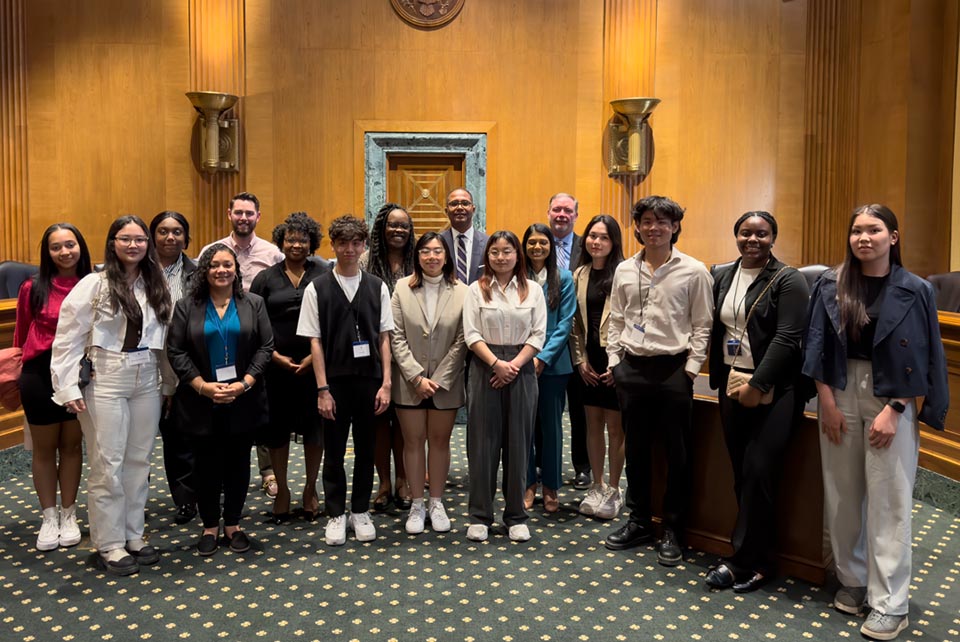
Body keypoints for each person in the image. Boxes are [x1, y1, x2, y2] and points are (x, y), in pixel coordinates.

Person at [802, 204, 948, 641]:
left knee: (889, 501)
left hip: (891, 398)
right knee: (843, 495)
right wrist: (825, 401)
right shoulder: (830, 283)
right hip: (839, 391)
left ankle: (891, 603)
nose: (864, 238)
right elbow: (815, 344)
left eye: (875, 230)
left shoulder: (915, 289)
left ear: (893, 237)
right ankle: (853, 580)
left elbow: (923, 353)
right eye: (857, 231)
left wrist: (897, 408)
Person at [51, 215, 173, 576]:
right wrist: (67, 387)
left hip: (146, 375)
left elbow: (163, 341)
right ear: (112, 243)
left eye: (139, 239)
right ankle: (109, 543)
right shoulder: (94, 284)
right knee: (108, 463)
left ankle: (134, 534)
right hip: (106, 377)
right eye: (125, 239)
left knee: (139, 462)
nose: (133, 245)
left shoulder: (155, 283)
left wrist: (168, 383)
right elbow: (68, 339)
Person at [603, 196, 713, 567]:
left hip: (673, 371)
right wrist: (615, 361)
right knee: (635, 450)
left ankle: (673, 529)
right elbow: (616, 318)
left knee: (676, 453)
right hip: (631, 369)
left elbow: (703, 325)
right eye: (647, 221)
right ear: (637, 226)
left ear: (675, 227)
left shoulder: (694, 271)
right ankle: (638, 521)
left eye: (662, 222)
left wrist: (690, 369)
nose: (654, 228)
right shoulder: (624, 270)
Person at [704, 212, 809, 593]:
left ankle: (749, 561)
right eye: (746, 233)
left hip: (775, 389)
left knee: (760, 473)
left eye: (761, 234)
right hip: (732, 383)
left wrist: (758, 383)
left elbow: (787, 337)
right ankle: (754, 554)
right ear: (735, 236)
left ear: (773, 238)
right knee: (741, 474)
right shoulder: (722, 275)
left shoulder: (789, 279)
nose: (753, 239)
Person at [167, 244, 274, 557]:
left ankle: (233, 524)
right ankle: (210, 525)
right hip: (202, 400)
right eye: (215, 265)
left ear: (236, 270)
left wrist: (245, 384)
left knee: (239, 462)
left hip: (243, 398)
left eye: (228, 265)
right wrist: (203, 387)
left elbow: (265, 347)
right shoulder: (188, 306)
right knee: (205, 464)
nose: (222, 270)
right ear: (205, 270)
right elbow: (176, 351)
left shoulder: (253, 303)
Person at [297, 215, 394, 546]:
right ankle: (336, 513)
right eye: (343, 243)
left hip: (370, 380)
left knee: (367, 448)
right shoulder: (317, 288)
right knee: (334, 449)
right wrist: (322, 389)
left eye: (356, 243)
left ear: (364, 246)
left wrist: (387, 384)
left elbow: (384, 338)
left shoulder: (378, 286)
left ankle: (360, 510)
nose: (349, 249)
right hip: (334, 382)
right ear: (333, 246)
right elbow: (315, 342)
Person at [462, 231, 546, 542]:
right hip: (485, 366)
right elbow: (471, 334)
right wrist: (497, 365)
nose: (501, 257)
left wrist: (513, 366)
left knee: (518, 442)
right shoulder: (476, 289)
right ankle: (480, 515)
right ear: (488, 257)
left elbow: (538, 335)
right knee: (482, 445)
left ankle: (516, 516)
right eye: (495, 252)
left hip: (522, 368)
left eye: (507, 251)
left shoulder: (532, 290)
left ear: (517, 255)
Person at [199, 191, 284, 500]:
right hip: (219, 339)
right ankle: (224, 472)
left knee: (258, 406)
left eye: (250, 213)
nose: (244, 218)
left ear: (258, 217)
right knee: (222, 406)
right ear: (229, 214)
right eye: (239, 212)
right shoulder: (212, 251)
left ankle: (267, 472)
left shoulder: (273, 253)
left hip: (258, 339)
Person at [14, 223, 92, 551]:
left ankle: (69, 513)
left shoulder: (92, 284)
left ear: (80, 247)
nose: (64, 252)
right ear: (48, 253)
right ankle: (49, 516)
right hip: (39, 375)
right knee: (45, 449)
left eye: (70, 244)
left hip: (78, 376)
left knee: (72, 447)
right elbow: (20, 335)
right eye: (56, 247)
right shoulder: (33, 287)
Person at [250, 213, 330, 523]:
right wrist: (273, 356)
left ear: (312, 242)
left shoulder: (323, 273)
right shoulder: (265, 278)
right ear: (281, 241)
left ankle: (310, 489)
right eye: (290, 238)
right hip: (276, 367)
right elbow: (253, 320)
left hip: (315, 367)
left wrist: (314, 358)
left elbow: (332, 318)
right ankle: (282, 490)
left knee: (314, 431)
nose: (296, 244)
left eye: (303, 239)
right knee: (278, 432)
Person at [390, 232, 468, 534]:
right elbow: (394, 335)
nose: (432, 257)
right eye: (426, 251)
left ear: (446, 256)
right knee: (412, 442)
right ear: (417, 256)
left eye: (438, 251)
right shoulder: (400, 287)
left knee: (439, 442)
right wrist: (415, 376)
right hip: (409, 382)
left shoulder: (463, 291)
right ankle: (416, 504)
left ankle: (436, 501)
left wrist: (437, 379)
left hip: (445, 383)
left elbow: (463, 339)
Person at [359, 203, 416, 511]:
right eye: (392, 225)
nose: (398, 230)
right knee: (380, 423)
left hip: (410, 357)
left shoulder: (417, 262)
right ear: (382, 228)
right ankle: (383, 482)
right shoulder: (367, 262)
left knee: (406, 424)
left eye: (404, 226)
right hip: (372, 355)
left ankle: (404, 480)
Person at [569, 215, 626, 519]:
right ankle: (597, 484)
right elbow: (573, 324)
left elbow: (635, 322)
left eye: (603, 237)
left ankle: (615, 489)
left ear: (614, 241)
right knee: (593, 425)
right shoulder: (579, 273)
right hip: (588, 361)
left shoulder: (627, 273)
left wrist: (619, 364)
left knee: (616, 429)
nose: (596, 242)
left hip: (617, 360)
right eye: (592, 236)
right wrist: (580, 360)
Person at [521, 223, 575, 513]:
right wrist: (527, 357)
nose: (537, 248)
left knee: (552, 428)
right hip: (521, 363)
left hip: (553, 366)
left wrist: (543, 358)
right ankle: (528, 483)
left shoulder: (563, 278)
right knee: (525, 427)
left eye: (543, 242)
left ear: (551, 246)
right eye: (531, 243)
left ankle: (551, 486)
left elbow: (565, 323)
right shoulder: (518, 276)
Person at [150, 210, 199, 525]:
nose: (171, 237)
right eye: (164, 231)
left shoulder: (197, 273)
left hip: (184, 364)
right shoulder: (137, 270)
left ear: (186, 237)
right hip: (143, 362)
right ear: (153, 236)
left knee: (183, 433)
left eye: (177, 231)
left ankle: (188, 497)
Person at [546, 193, 590, 490]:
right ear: (548, 212)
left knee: (580, 410)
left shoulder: (587, 247)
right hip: (546, 345)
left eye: (567, 210)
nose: (562, 214)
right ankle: (544, 467)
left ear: (575, 215)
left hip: (582, 343)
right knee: (545, 414)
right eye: (557, 209)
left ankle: (582, 466)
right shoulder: (537, 246)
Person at [439, 188, 488, 285]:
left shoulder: (488, 242)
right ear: (446, 210)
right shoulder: (438, 242)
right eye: (454, 204)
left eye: (465, 203)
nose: (460, 207)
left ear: (473, 209)